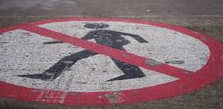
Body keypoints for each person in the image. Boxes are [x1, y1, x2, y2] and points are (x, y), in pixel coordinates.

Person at [19, 23, 148, 81]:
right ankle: (48, 75)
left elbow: (133, 35)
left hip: (112, 47)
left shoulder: (111, 32)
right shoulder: (92, 33)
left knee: (121, 61)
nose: (94, 27)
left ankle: (136, 74)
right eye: (92, 27)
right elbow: (79, 40)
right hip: (100, 47)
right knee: (73, 57)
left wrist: (141, 43)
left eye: (95, 26)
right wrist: (55, 42)